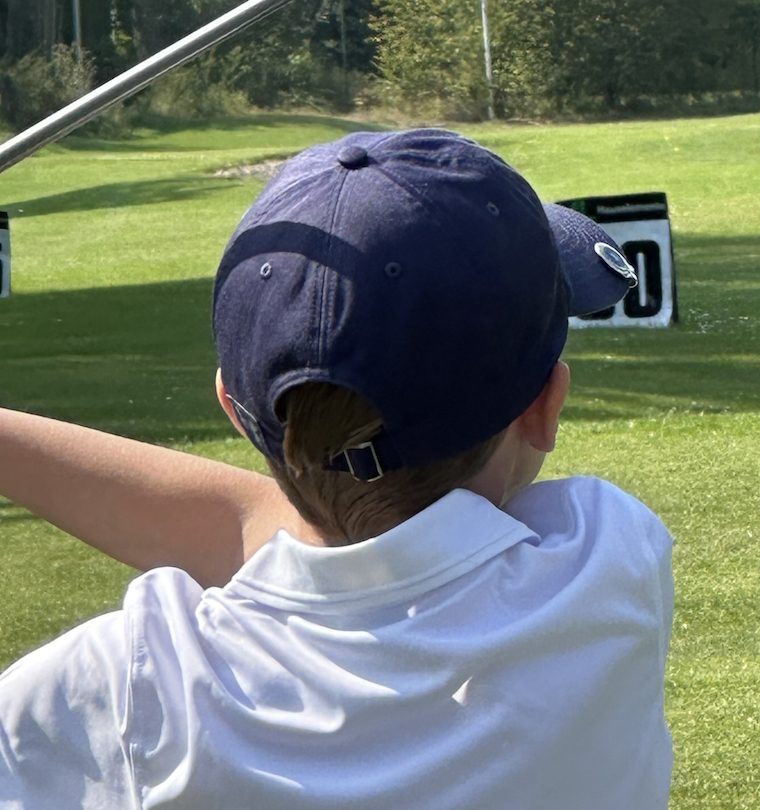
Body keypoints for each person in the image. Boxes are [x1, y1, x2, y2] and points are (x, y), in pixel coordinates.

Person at [0, 129, 673, 809]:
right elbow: (324, 540)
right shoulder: (607, 563)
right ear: (545, 408)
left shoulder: (120, 690)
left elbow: (284, 539)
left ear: (234, 410)